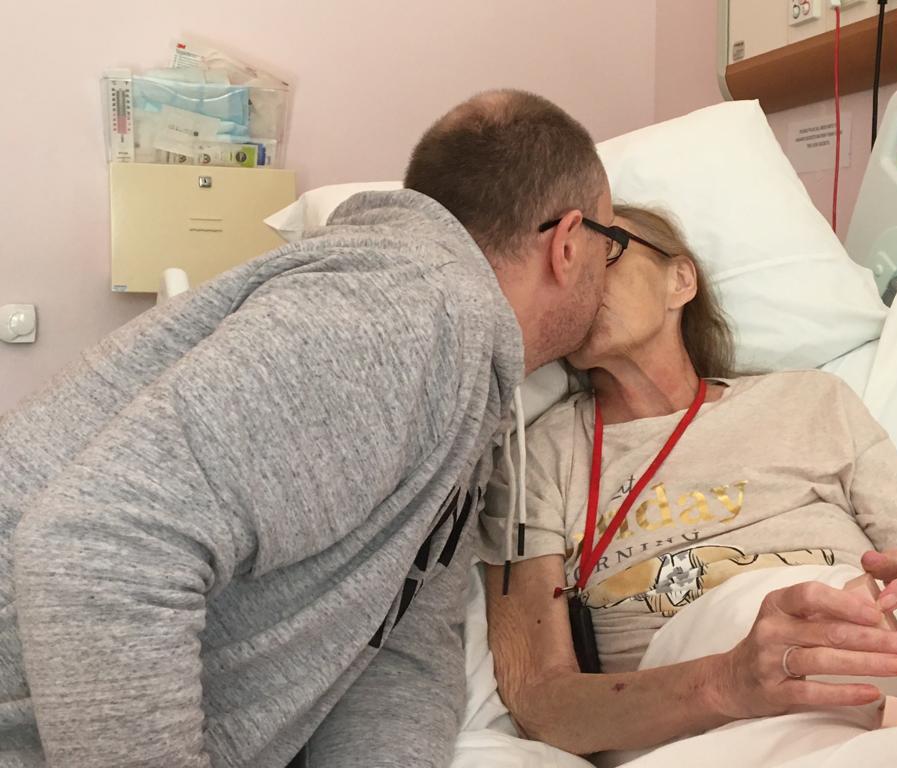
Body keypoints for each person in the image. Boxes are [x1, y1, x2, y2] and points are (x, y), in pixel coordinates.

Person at [0, 89, 617, 768]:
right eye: (610, 246)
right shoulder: (411, 311)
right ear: (568, 243)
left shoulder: (466, 388)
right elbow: (97, 548)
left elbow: (398, 644)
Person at [480, 204, 897, 758]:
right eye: (563, 266)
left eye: (608, 250)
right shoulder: (535, 458)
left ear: (680, 280)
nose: (583, 277)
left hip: (881, 669)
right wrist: (724, 682)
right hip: (713, 725)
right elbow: (541, 705)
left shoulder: (813, 400)